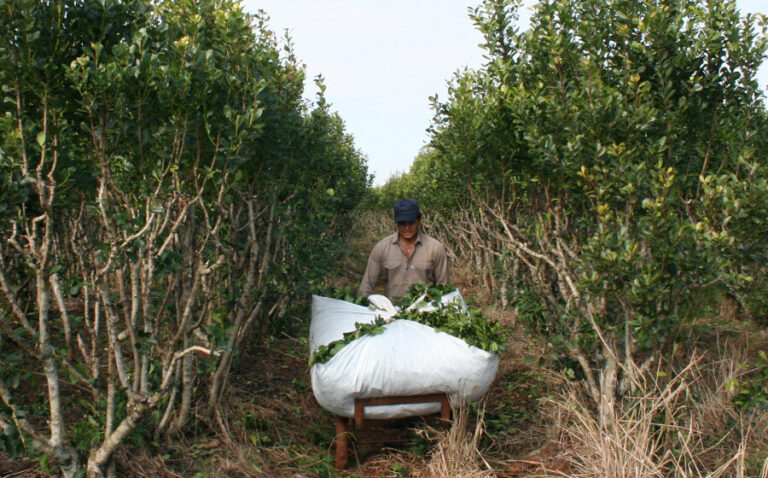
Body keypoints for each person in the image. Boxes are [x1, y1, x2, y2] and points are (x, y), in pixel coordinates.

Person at [359, 198, 450, 300]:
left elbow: (443, 287)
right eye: (402, 223)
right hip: (391, 312)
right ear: (396, 222)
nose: (407, 228)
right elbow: (366, 286)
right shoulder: (382, 248)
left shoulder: (435, 248)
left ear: (419, 220)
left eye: (411, 223)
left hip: (425, 312)